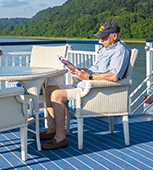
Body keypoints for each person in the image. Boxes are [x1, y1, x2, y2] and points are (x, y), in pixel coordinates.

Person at [34, 21, 130, 150]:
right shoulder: (105, 49)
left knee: (57, 95)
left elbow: (114, 76)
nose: (101, 40)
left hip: (94, 89)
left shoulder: (120, 51)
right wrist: (82, 70)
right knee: (49, 89)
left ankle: (60, 138)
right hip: (87, 83)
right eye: (101, 37)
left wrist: (89, 76)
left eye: (104, 37)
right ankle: (51, 129)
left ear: (114, 36)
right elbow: (97, 68)